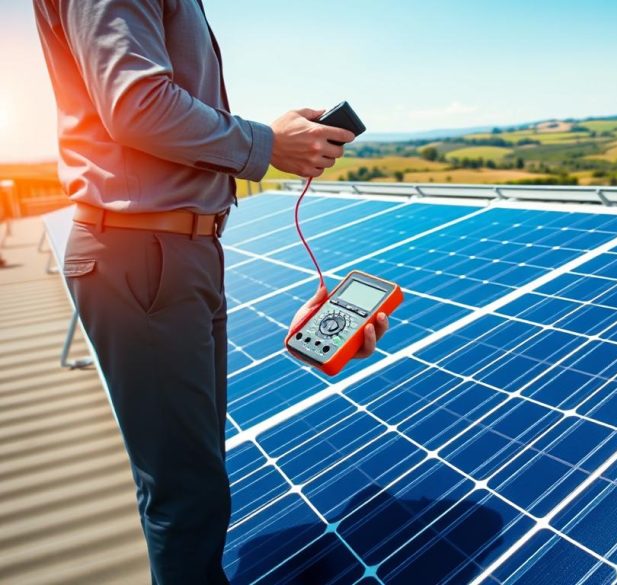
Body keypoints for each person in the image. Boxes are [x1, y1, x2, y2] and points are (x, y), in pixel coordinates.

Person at [33, 1, 388, 583]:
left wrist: (271, 140)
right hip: (146, 252)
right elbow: (137, 106)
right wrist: (268, 145)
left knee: (194, 475)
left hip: (176, 251)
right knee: (187, 493)